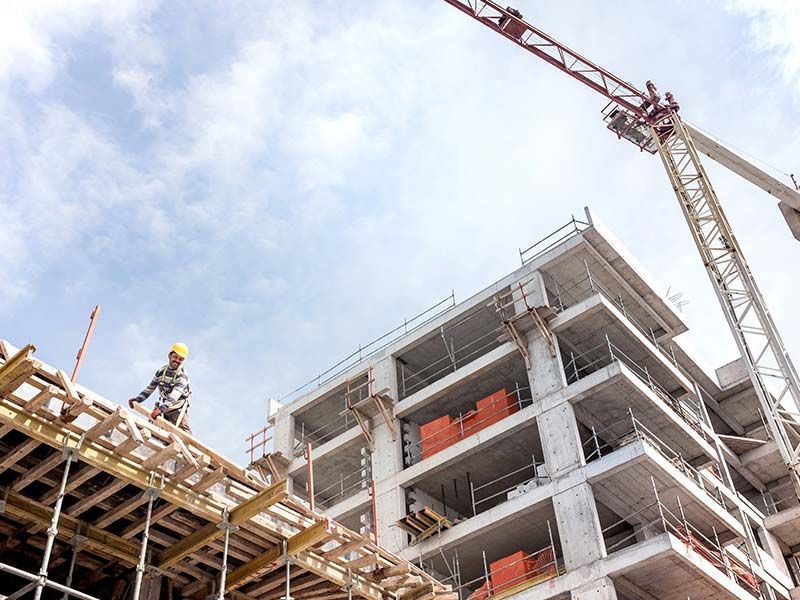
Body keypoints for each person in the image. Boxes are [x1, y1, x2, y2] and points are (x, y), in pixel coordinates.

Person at [129, 342, 192, 432]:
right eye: (175, 357)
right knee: (154, 427)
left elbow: (175, 395)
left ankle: (187, 446)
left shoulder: (182, 376)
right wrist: (137, 400)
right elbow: (150, 388)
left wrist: (160, 409)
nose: (177, 361)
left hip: (177, 407)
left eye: (180, 359)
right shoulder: (161, 372)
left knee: (182, 432)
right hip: (164, 405)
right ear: (170, 356)